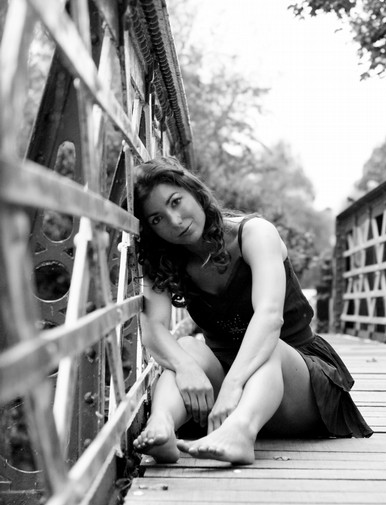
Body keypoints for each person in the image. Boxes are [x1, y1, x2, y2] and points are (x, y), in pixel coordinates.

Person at [132, 156, 372, 465]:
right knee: (187, 347)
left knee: (268, 346)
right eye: (157, 219)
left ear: (194, 191)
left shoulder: (255, 233)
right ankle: (162, 427)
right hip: (231, 385)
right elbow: (154, 330)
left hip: (297, 384)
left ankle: (241, 432)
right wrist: (186, 366)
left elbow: (270, 317)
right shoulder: (165, 260)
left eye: (176, 202)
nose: (175, 221)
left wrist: (232, 386)